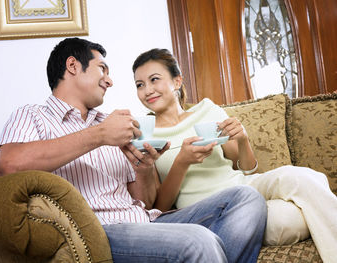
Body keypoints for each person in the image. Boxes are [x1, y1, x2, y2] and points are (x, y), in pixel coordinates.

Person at [0, 38, 267, 263]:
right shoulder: (33, 115)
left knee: (246, 198)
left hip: (147, 221)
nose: (109, 81)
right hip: (101, 231)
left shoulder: (113, 123)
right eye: (102, 69)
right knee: (198, 240)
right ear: (73, 65)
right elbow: (9, 164)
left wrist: (143, 167)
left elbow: (145, 202)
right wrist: (98, 136)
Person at [132, 48, 337, 263]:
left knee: (303, 176)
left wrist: (242, 140)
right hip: (213, 211)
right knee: (289, 218)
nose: (147, 90)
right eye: (140, 85)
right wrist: (181, 162)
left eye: (154, 80)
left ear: (177, 81)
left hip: (246, 186)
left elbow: (248, 170)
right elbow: (160, 209)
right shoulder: (145, 135)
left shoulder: (208, 111)